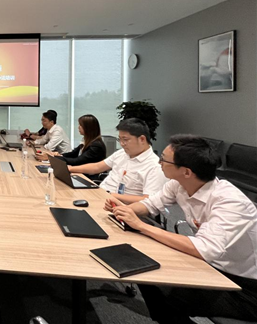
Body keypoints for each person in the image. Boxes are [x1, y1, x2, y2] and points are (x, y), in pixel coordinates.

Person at [106, 134, 257, 323]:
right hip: (212, 266)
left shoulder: (230, 202)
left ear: (186, 172)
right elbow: (150, 204)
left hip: (245, 288)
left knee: (166, 290)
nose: (159, 162)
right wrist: (124, 210)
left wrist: (141, 225)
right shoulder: (179, 185)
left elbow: (205, 249)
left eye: (164, 159)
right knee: (143, 269)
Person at [69, 118, 166, 204]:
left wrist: (111, 195)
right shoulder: (122, 153)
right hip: (101, 197)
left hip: (123, 208)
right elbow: (97, 167)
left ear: (142, 139)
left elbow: (148, 200)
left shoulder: (154, 166)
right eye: (120, 139)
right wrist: (70, 169)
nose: (122, 144)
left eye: (125, 139)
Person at [36, 114, 106, 165]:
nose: (78, 127)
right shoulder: (86, 141)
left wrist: (52, 158)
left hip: (89, 177)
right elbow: (73, 154)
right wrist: (57, 155)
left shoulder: (96, 145)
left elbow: (78, 161)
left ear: (88, 128)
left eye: (80, 125)